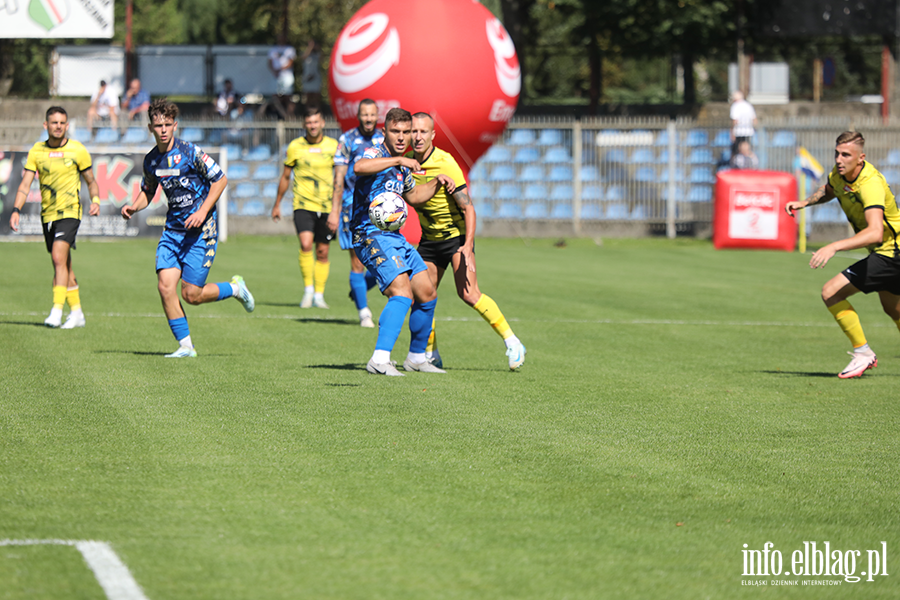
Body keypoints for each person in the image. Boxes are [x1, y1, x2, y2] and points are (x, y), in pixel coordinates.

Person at [121, 98, 255, 358]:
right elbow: (148, 191)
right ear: (150, 127)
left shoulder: (191, 152)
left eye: (168, 124)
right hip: (173, 231)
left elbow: (220, 179)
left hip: (201, 231)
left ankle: (236, 289)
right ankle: (186, 346)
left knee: (191, 294)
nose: (163, 129)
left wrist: (202, 211)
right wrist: (134, 207)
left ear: (175, 125)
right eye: (158, 125)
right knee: (165, 287)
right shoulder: (151, 161)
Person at [409, 112, 526, 370]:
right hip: (429, 240)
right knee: (423, 296)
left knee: (469, 293)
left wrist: (467, 245)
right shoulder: (406, 164)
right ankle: (431, 354)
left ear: (432, 135)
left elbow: (469, 208)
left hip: (456, 237)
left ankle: (513, 341)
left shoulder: (445, 162)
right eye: (413, 132)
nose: (417, 137)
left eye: (422, 132)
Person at [784, 131, 900, 379]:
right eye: (837, 153)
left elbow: (875, 232)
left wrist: (833, 246)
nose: (839, 159)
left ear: (861, 158)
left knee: (831, 291)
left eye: (846, 154)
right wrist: (805, 202)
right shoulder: (839, 175)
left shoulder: (870, 183)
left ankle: (863, 353)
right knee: (894, 309)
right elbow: (829, 190)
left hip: (892, 252)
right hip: (888, 252)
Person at [352, 107, 456, 376]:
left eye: (406, 132)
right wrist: (398, 160)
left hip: (394, 238)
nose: (402, 137)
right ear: (384, 131)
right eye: (395, 131)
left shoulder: (403, 164)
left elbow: (414, 196)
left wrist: (436, 182)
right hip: (369, 235)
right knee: (401, 292)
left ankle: (417, 357)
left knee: (427, 292)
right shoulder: (377, 153)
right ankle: (379, 358)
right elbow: (359, 167)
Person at [9, 106, 100, 328]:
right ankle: (77, 313)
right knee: (63, 264)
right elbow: (24, 185)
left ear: (67, 126)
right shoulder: (36, 152)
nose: (58, 126)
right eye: (54, 122)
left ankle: (56, 312)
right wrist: (16, 210)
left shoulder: (78, 150)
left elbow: (91, 180)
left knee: (58, 258)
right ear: (46, 125)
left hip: (70, 212)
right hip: (47, 214)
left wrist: (96, 200)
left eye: (62, 123)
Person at [271, 106, 338, 308]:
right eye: (309, 122)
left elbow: (341, 178)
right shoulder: (295, 147)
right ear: (304, 125)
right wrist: (277, 204)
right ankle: (308, 290)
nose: (312, 126)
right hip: (303, 204)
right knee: (306, 244)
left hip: (327, 206)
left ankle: (319, 294)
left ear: (322, 123)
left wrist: (338, 206)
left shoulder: (334, 146)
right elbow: (285, 176)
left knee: (323, 252)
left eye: (315, 122)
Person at [327, 98, 384, 328]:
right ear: (358, 116)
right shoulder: (347, 140)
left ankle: (358, 288)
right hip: (353, 209)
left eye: (372, 114)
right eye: (365, 114)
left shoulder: (384, 139)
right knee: (357, 262)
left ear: (377, 115)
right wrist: (334, 211)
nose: (368, 119)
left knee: (381, 260)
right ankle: (364, 313)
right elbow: (338, 178)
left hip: (381, 208)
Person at [268, 36, 296, 119]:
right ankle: (279, 115)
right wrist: (274, 71)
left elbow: (291, 62)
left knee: (287, 96)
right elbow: (269, 62)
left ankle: (289, 116)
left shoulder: (290, 49)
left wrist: (280, 69)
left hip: (287, 77)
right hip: (276, 78)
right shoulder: (273, 50)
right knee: (276, 97)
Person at [301, 40, 322, 109]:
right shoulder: (305, 54)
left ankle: (317, 112)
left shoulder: (317, 54)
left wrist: (317, 48)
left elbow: (322, 58)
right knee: (308, 96)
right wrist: (310, 47)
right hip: (307, 78)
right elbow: (304, 57)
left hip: (316, 78)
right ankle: (308, 113)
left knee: (316, 96)